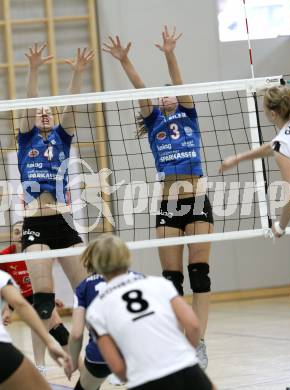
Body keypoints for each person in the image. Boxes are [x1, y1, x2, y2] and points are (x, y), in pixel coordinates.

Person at [103, 26, 213, 368]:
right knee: (172, 280)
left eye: (170, 94)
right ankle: (175, 340)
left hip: (196, 197)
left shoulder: (188, 113)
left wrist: (169, 53)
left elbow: (179, 85)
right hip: (167, 202)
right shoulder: (153, 123)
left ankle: (198, 342)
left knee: (200, 274)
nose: (166, 96)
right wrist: (125, 61)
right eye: (162, 95)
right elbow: (140, 89)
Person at [218, 85, 290, 390]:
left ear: (269, 112)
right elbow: (276, 145)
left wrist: (279, 226)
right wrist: (238, 158)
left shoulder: (283, 143)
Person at [18, 43, 93, 372]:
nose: (44, 112)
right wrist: (33, 69)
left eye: (48, 109)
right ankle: (40, 365)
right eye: (40, 110)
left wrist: (77, 74)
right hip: (35, 224)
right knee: (43, 300)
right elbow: (27, 104)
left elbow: (72, 107)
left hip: (63, 222)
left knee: (89, 292)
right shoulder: (25, 139)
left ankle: (92, 356)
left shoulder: (62, 137)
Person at [86, 234, 216, 390]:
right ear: (128, 256)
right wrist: (185, 355)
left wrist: (135, 375)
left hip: (143, 380)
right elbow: (194, 326)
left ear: (95, 264)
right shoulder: (159, 284)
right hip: (183, 367)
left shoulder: (96, 309)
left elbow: (118, 368)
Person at [0, 220, 70, 375]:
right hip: (15, 297)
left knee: (58, 329)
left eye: (22, 232)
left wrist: (52, 298)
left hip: (35, 296)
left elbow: (46, 278)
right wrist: (6, 308)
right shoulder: (4, 257)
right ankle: (40, 364)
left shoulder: (35, 252)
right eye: (16, 232)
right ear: (12, 235)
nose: (19, 236)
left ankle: (69, 359)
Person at [68, 248, 130, 389]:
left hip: (100, 354)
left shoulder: (84, 286)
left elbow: (76, 334)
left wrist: (72, 362)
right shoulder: (138, 278)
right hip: (138, 350)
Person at [0, 268, 71, 390]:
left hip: (40, 301)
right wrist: (49, 343)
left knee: (60, 332)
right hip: (2, 350)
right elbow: (20, 303)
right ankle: (41, 365)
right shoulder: (2, 275)